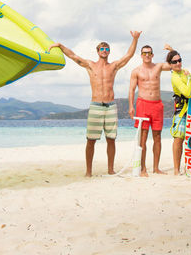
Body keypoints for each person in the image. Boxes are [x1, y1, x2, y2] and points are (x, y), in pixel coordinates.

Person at [50, 31, 141, 177]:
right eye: (102, 49)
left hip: (111, 106)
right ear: (98, 52)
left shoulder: (114, 66)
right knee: (90, 140)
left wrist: (135, 39)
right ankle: (88, 171)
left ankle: (111, 169)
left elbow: (128, 56)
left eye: (107, 49)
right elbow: (74, 56)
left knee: (111, 139)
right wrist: (60, 46)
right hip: (96, 106)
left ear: (109, 52)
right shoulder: (90, 65)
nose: (104, 51)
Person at [128, 45, 173, 176]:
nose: (147, 55)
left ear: (152, 55)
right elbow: (131, 90)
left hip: (157, 105)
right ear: (141, 55)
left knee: (157, 137)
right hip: (143, 104)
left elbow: (173, 65)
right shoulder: (136, 71)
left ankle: (156, 168)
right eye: (144, 53)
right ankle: (143, 169)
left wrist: (171, 50)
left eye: (149, 53)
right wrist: (131, 106)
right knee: (142, 138)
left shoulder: (158, 67)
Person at [165, 46, 191, 175]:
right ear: (170, 65)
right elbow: (187, 92)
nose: (178, 63)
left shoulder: (184, 71)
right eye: (175, 62)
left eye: (180, 60)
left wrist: (171, 48)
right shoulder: (175, 77)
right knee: (179, 138)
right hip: (181, 110)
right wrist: (188, 79)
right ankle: (176, 170)